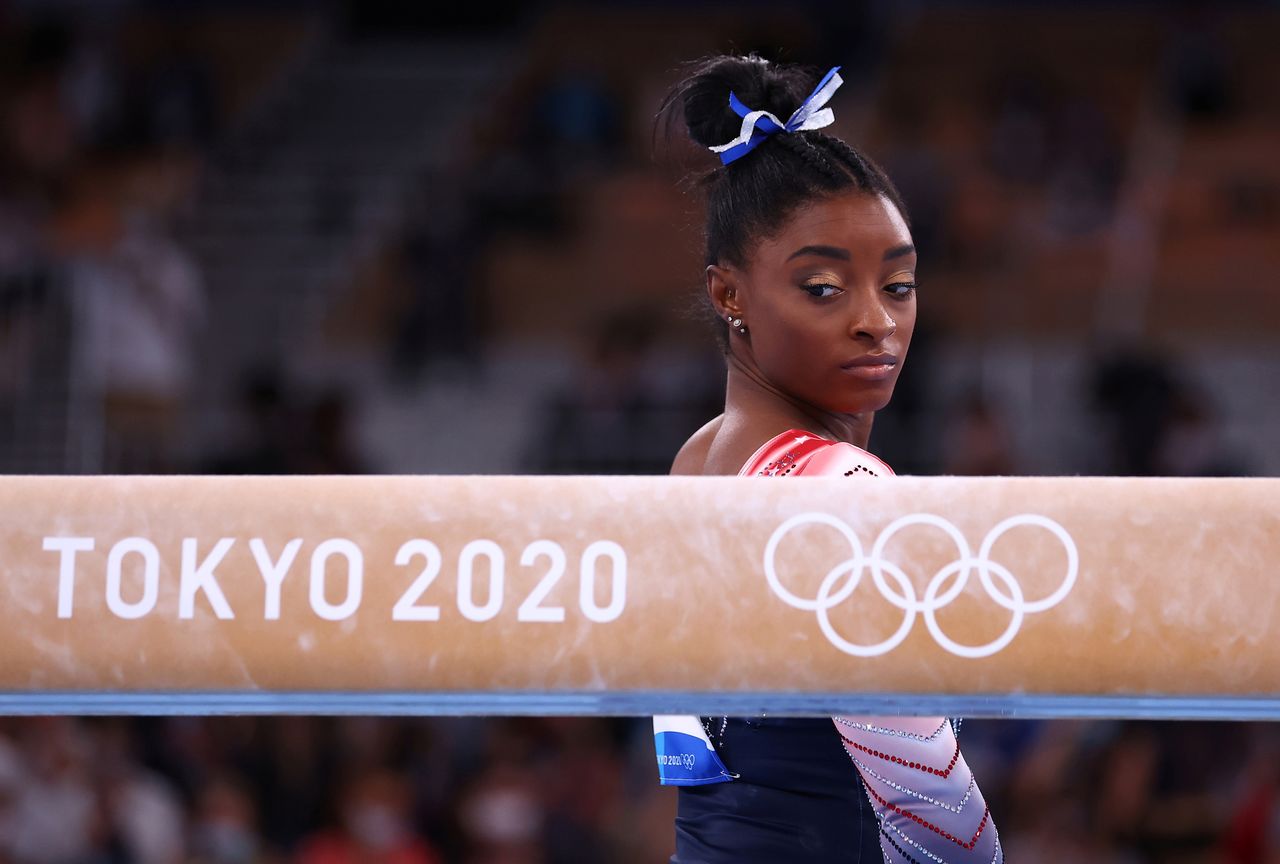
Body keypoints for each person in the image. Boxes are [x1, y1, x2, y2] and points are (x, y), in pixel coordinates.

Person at [652, 56, 1002, 863]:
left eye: (899, 285)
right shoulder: (844, 491)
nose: (876, 321)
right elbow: (939, 821)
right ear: (729, 294)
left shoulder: (698, 460)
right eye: (823, 288)